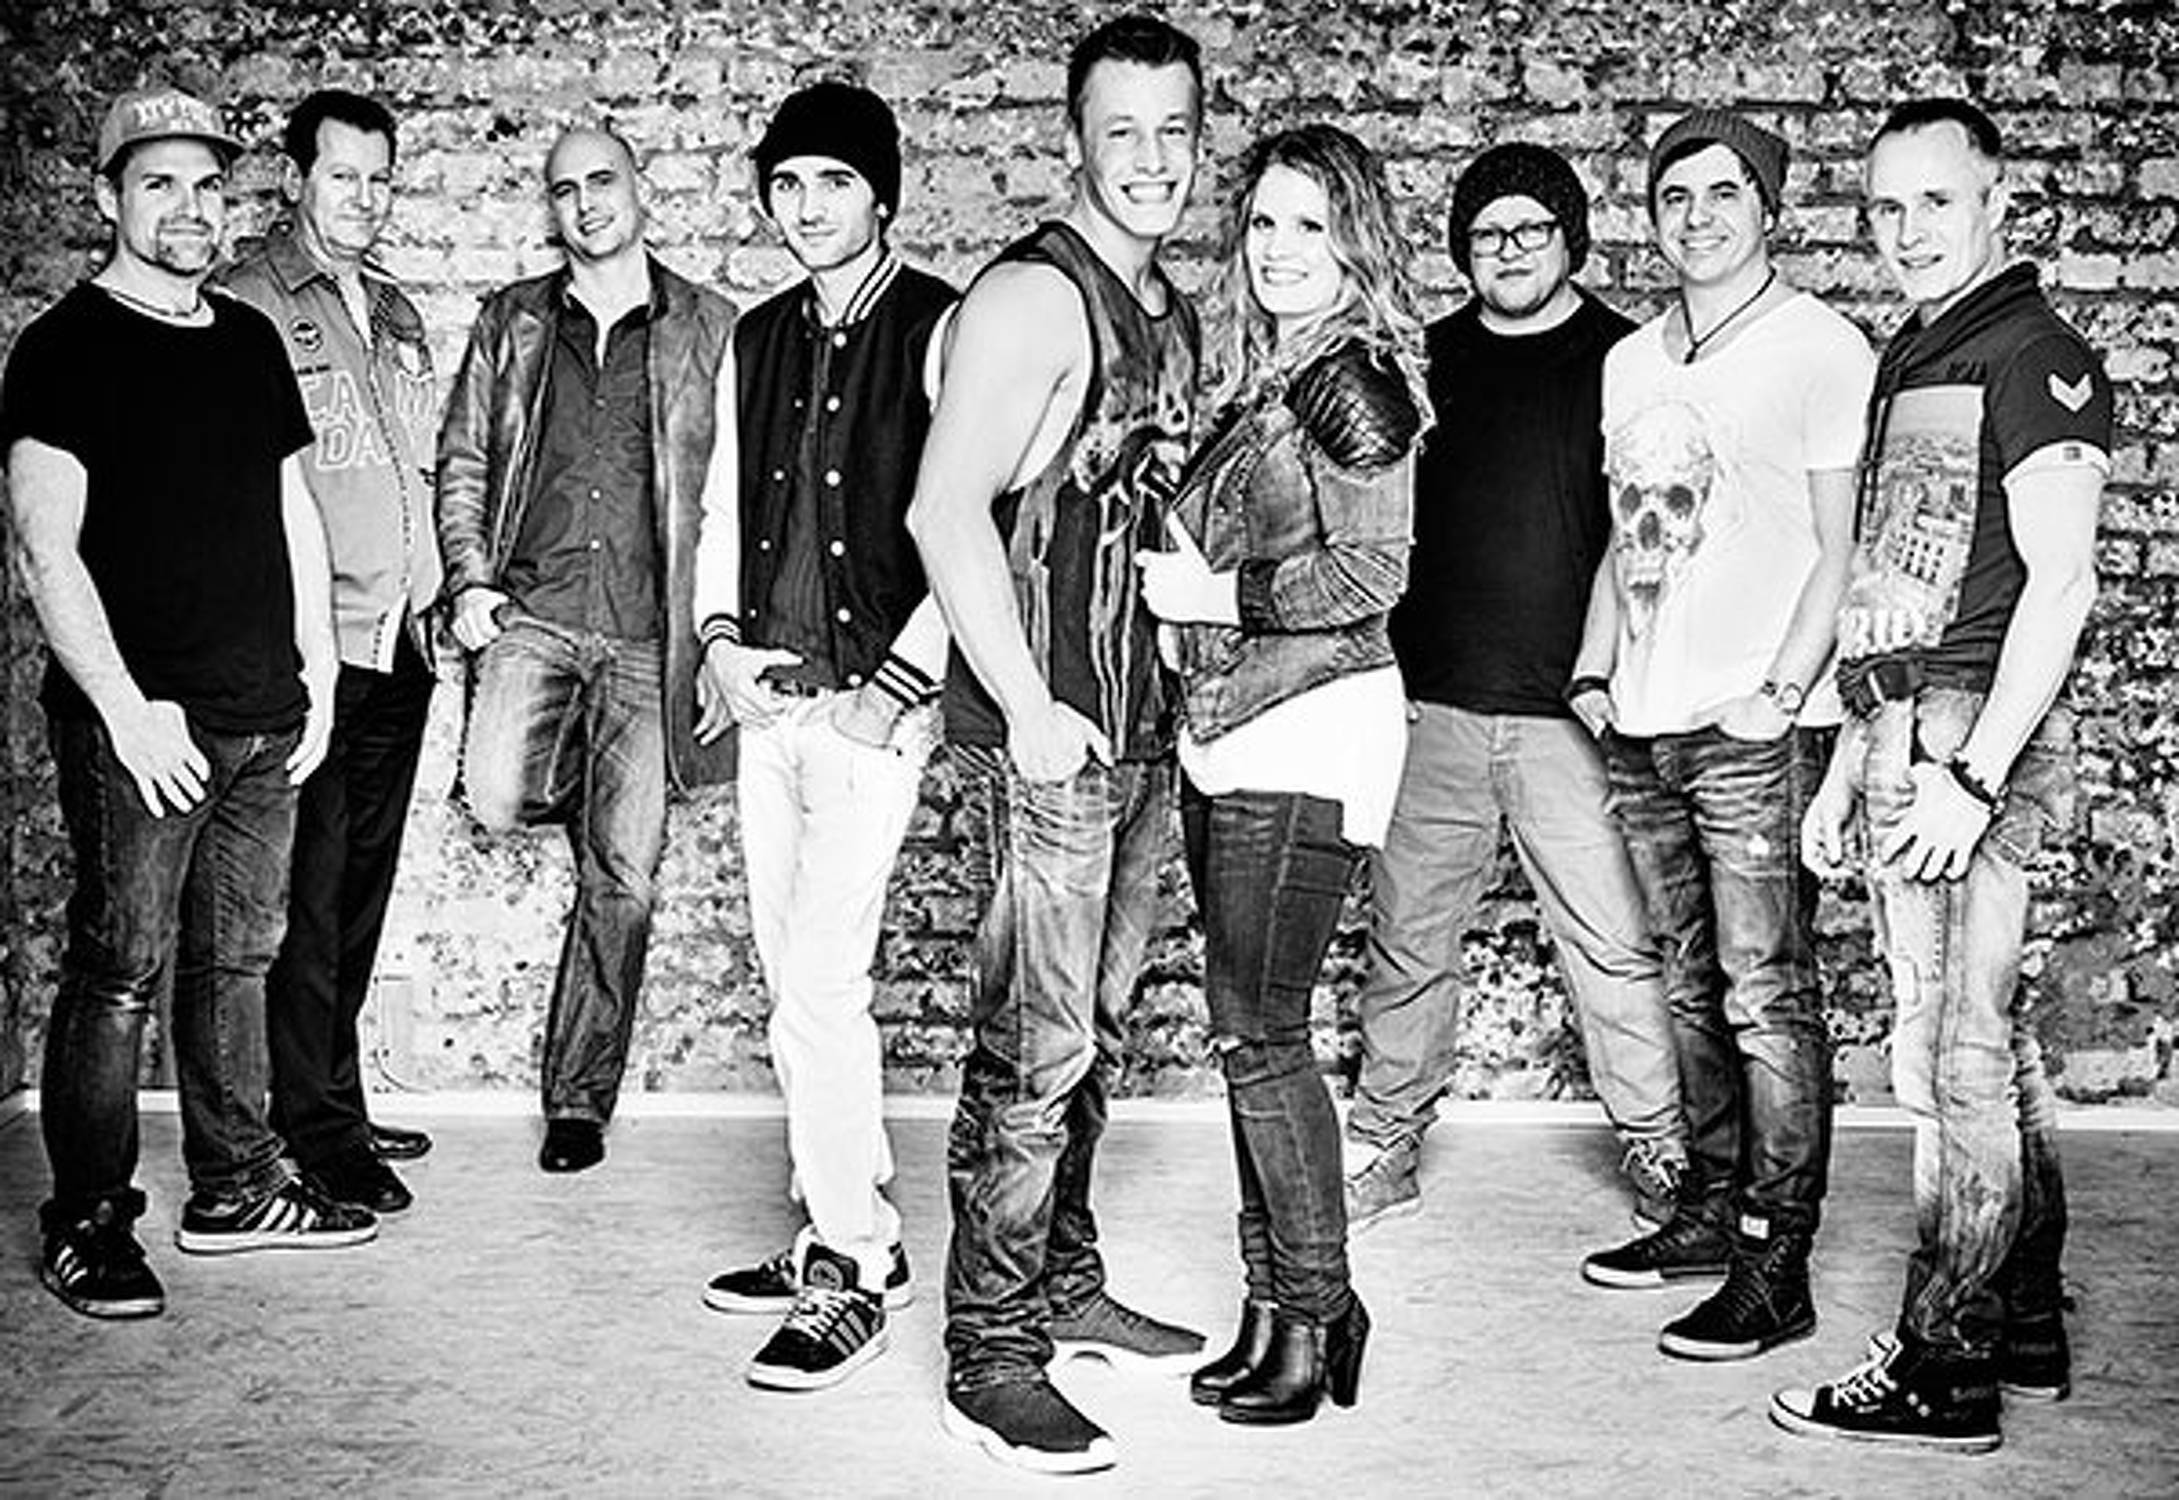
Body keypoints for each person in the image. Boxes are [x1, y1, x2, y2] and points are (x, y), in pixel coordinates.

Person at [5, 86, 379, 1320]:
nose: (189, 207)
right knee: (120, 968)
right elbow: (44, 547)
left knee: (238, 961)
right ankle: (89, 1222)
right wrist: (124, 709)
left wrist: (317, 670)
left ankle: (236, 1188)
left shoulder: (247, 339)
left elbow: (292, 508)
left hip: (264, 715)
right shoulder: (63, 348)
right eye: (157, 183)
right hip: (145, 732)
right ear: (107, 197)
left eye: (207, 185)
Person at [1771, 98, 2110, 1454]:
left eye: (1935, 200)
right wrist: (1851, 763)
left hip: (1965, 737)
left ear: (1994, 205)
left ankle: (1941, 1365)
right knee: (1983, 1044)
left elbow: (2060, 583)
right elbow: (1897, 586)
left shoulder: (2034, 354)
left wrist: (1967, 773)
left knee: (1948, 1058)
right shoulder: (1923, 350)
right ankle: (2019, 1314)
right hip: (1908, 726)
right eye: (1885, 205)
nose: (1907, 229)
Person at [906, 13, 1207, 1476]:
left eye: (1174, 130)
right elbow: (941, 511)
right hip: (1051, 741)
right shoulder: (1032, 296)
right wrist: (1027, 708)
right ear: (1073, 141)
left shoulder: (1170, 310)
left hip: (1141, 733)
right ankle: (991, 1350)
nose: (1151, 159)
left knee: (1092, 1035)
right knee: (1031, 1052)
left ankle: (1064, 1283)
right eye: (1120, 131)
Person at [1570, 108, 1874, 1363]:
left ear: (1768, 209)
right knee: (1689, 985)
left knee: (1764, 995)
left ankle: (1774, 1258)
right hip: (1643, 723)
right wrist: (1594, 670)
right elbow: (1625, 533)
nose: (1697, 217)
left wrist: (1780, 692)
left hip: (1756, 724)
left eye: (1723, 193)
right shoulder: (1628, 361)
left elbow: (1842, 546)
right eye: (1675, 197)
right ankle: (1704, 1210)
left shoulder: (1821, 348)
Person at [1341, 141, 1685, 1235]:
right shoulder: (1421, 361)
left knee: (1612, 943)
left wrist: (1614, 677)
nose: (1509, 248)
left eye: (1532, 228)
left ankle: (1659, 1146)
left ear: (1570, 240)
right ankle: (1385, 1139)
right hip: (1430, 708)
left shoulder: (1629, 360)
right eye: (1486, 233)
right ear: (1462, 250)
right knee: (1407, 938)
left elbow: (1654, 533)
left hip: (1570, 716)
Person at [1137, 122, 1426, 1426]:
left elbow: (1372, 573)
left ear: (1353, 240)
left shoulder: (1350, 377)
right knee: (1250, 1035)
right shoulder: (1275, 375)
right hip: (1237, 727)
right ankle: (1276, 1309)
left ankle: (1316, 1312)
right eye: (1261, 222)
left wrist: (1214, 594)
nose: (1278, 247)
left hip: (1307, 726)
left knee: (1261, 1034)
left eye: (1309, 224)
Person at [691, 80, 956, 1392]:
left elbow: (985, 525)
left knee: (818, 986)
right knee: (791, 980)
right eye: (786, 184)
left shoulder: (941, 325)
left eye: (833, 183)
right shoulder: (755, 335)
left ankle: (847, 1261)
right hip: (773, 701)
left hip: (872, 710)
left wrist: (900, 684)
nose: (805, 206)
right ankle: (850, 1228)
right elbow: (720, 504)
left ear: (882, 197)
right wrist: (718, 643)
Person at [436, 125, 737, 1173]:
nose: (585, 203)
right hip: (536, 614)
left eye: (602, 180)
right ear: (550, 208)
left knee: (625, 880)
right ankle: (608, 796)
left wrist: (721, 640)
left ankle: (578, 1101)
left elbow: (737, 499)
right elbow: (464, 459)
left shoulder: (710, 326)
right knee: (494, 795)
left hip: (653, 639)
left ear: (639, 187)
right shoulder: (512, 320)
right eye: (564, 190)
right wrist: (470, 579)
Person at [216, 88, 441, 1216]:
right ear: (298, 178)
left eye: (380, 177)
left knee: (358, 893)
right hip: (317, 649)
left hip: (403, 641)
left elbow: (417, 463)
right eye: (343, 175)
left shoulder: (395, 309)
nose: (364, 196)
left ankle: (335, 1097)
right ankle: (313, 1133)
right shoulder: (247, 302)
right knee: (304, 903)